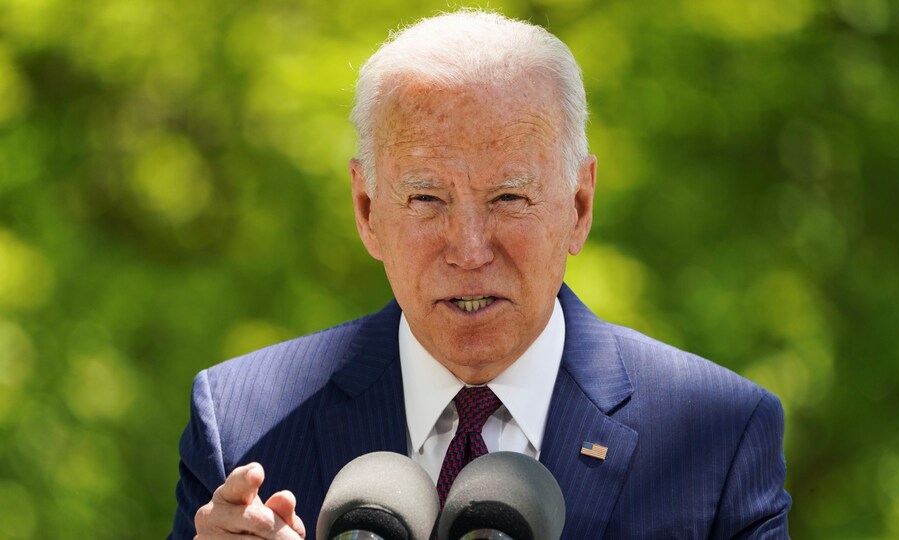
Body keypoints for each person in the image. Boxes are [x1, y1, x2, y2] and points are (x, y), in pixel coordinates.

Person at [171, 9, 791, 539]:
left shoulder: (720, 437)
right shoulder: (242, 428)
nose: (468, 251)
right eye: (426, 199)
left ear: (579, 206)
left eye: (509, 199)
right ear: (367, 211)